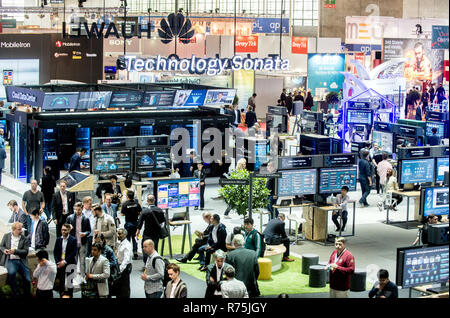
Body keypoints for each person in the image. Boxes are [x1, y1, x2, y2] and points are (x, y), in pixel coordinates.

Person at [0, 222, 31, 298]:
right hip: (11, 260)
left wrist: (15, 251)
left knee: (27, 279)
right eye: (19, 229)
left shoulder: (24, 239)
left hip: (21, 261)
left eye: (21, 229)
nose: (21, 231)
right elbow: (1, 246)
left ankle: (27, 295)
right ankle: (15, 294)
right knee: (12, 273)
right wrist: (5, 250)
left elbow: (25, 252)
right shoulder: (6, 236)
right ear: (13, 230)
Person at [137, 194, 166, 263]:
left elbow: (140, 222)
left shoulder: (145, 211)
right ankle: (155, 263)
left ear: (147, 201)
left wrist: (138, 231)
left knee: (145, 247)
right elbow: (162, 221)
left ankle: (146, 263)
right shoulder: (159, 210)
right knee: (155, 248)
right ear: (154, 200)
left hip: (147, 233)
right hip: (156, 233)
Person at [66, 202, 91, 278]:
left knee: (82, 261)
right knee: (74, 260)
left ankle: (83, 277)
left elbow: (89, 230)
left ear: (82, 209)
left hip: (82, 242)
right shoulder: (70, 218)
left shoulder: (85, 219)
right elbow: (65, 229)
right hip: (73, 243)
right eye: (76, 209)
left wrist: (85, 233)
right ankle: (72, 278)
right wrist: (68, 228)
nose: (77, 211)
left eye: (79, 210)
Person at [53, 223, 78, 298]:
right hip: (60, 263)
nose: (63, 231)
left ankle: (70, 296)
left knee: (70, 282)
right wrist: (58, 262)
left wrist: (65, 262)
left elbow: (73, 253)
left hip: (70, 262)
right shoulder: (58, 239)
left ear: (69, 230)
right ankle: (61, 295)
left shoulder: (73, 240)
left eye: (65, 230)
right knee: (61, 281)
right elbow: (55, 252)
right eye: (62, 230)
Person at [120, 190, 142, 259]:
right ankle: (135, 251)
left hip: (128, 223)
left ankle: (128, 252)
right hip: (135, 223)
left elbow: (122, 214)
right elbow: (140, 212)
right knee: (135, 238)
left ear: (127, 196)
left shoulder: (125, 204)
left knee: (128, 238)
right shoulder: (136, 203)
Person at [115, 228, 132, 298]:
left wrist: (120, 269)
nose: (118, 235)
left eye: (120, 234)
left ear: (125, 235)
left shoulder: (127, 245)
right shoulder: (120, 243)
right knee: (119, 288)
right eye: (117, 233)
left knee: (124, 288)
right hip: (120, 267)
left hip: (124, 268)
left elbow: (126, 259)